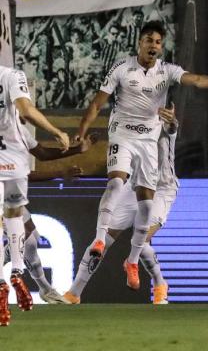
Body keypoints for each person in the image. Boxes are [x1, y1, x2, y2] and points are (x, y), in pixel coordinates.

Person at [75, 20, 208, 292]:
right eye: (149, 39)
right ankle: (89, 262)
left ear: (161, 48)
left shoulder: (166, 76)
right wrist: (82, 131)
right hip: (123, 136)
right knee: (114, 183)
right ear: (140, 43)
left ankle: (139, 267)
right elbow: (97, 102)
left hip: (153, 159)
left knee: (146, 211)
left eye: (158, 42)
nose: (153, 45)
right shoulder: (122, 69)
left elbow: (193, 79)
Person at [64, 104, 178, 305]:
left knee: (140, 240)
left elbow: (171, 128)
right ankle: (74, 293)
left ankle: (159, 284)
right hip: (134, 186)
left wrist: (172, 123)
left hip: (161, 190)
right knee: (102, 242)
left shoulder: (160, 123)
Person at [0, 66, 69, 326]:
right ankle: (17, 270)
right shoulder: (11, 76)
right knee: (15, 217)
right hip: (15, 162)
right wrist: (57, 131)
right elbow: (26, 109)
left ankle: (2, 284)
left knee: (10, 226)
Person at [3, 124, 97, 305]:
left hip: (10, 193)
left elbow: (43, 154)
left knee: (31, 240)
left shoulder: (18, 129)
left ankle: (44, 288)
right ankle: (44, 288)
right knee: (26, 239)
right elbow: (23, 174)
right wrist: (60, 172)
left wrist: (78, 150)